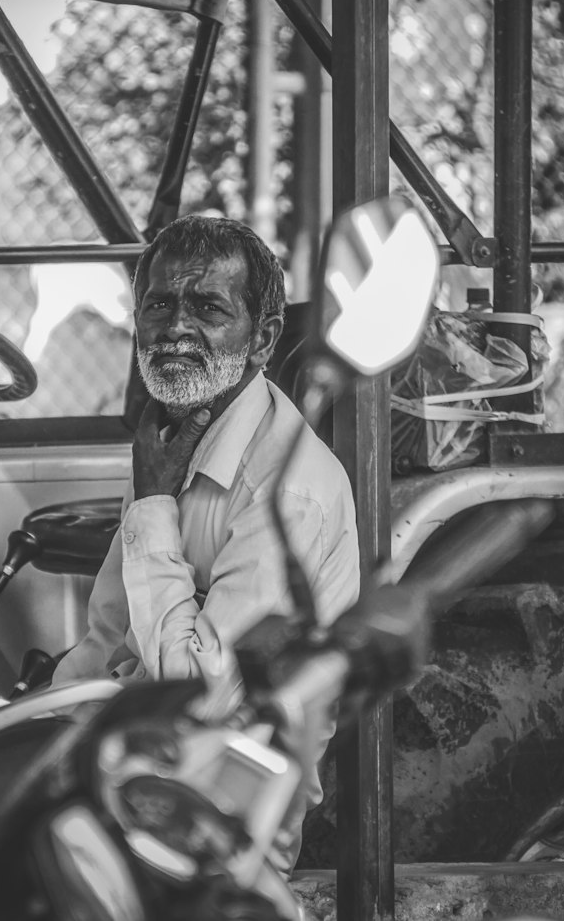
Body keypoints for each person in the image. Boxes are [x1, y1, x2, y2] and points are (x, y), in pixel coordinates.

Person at [51, 214, 360, 871]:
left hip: (220, 805)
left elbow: (199, 701)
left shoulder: (287, 489)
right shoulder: (175, 437)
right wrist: (47, 716)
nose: (175, 327)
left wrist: (156, 503)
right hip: (134, 741)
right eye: (159, 304)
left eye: (208, 308)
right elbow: (111, 635)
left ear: (262, 338)